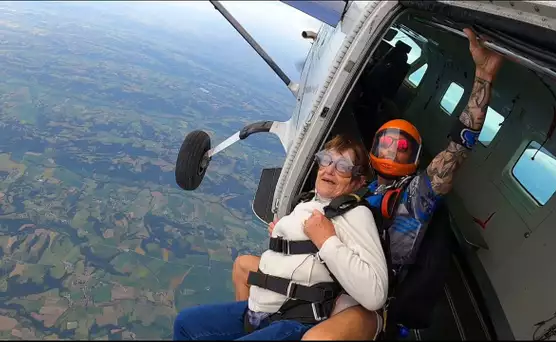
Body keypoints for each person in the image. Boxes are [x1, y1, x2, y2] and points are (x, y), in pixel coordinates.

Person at [231, 27, 504, 340]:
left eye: (400, 147)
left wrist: (483, 78)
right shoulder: (367, 188)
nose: (391, 151)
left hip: (363, 289)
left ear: (414, 157)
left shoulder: (416, 197)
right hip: (335, 271)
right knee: (244, 268)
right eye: (386, 144)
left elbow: (458, 148)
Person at [173, 134, 389, 341]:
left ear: (358, 182)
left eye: (343, 167)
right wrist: (284, 236)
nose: (330, 170)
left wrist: (326, 240)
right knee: (185, 324)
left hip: (295, 318)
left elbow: (375, 294)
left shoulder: (356, 214)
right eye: (326, 160)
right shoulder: (307, 204)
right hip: (259, 310)